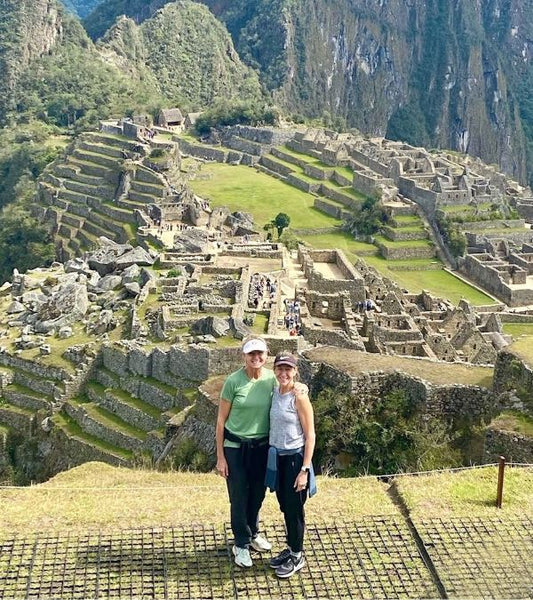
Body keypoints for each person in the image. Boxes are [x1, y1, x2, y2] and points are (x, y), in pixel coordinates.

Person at [215, 336, 275, 569]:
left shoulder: (271, 379)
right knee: (239, 496)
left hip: (261, 448)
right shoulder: (233, 382)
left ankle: (253, 533)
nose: (256, 358)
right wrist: (220, 457)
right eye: (252, 354)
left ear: (266, 355)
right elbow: (221, 421)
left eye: (260, 353)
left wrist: (302, 387)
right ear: (244, 356)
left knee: (258, 494)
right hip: (236, 448)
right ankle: (241, 542)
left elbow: (289, 389)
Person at [265, 353, 316, 578]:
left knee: (295, 510)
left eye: (288, 369)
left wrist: (304, 470)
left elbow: (311, 435)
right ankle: (291, 548)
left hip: (295, 459)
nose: (283, 373)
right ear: (275, 370)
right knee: (285, 506)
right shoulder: (276, 391)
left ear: (295, 371)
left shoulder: (299, 397)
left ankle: (297, 556)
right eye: (280, 369)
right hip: (278, 459)